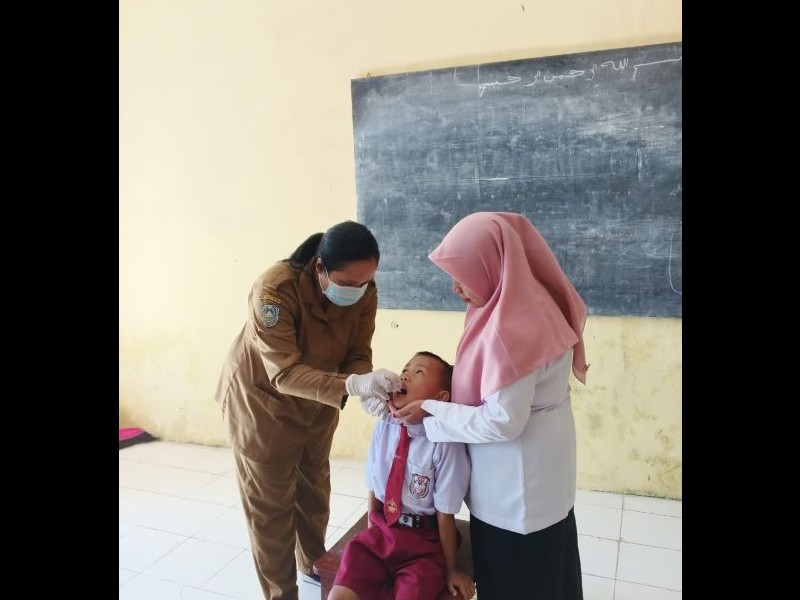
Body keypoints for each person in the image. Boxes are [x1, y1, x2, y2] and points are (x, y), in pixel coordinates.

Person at [391, 212, 589, 600]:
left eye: (463, 275)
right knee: (553, 568)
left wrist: (432, 410)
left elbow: (502, 421)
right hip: (541, 475)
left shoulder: (512, 327)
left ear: (492, 265)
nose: (455, 288)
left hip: (516, 489)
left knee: (521, 579)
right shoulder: (526, 301)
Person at [215, 220, 402, 600]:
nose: (357, 291)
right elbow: (283, 373)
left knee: (314, 492)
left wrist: (366, 385)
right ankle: (280, 593)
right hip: (262, 407)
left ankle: (315, 565)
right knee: (270, 512)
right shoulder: (275, 290)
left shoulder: (364, 290)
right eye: (347, 283)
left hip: (318, 404)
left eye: (364, 282)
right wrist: (352, 385)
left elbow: (357, 351)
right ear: (320, 268)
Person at [329, 351, 474, 600]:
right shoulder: (384, 425)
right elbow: (374, 489)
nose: (405, 375)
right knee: (339, 595)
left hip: (423, 545)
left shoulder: (444, 442)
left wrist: (451, 569)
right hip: (383, 532)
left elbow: (445, 512)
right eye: (405, 369)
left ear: (440, 398)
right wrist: (373, 534)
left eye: (419, 372)